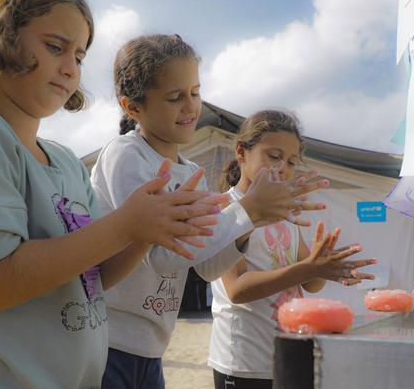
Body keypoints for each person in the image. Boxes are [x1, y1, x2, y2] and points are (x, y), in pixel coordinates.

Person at [0, 0, 223, 387]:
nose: (70, 67)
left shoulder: (65, 162)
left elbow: (96, 274)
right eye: (55, 47)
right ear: (0, 38)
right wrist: (126, 223)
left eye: (80, 55)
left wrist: (147, 229)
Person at [91, 34, 328, 388]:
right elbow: (162, 257)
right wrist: (246, 211)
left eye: (195, 92)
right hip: (109, 337)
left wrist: (254, 219)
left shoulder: (190, 172)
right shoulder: (126, 155)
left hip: (152, 343)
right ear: (133, 107)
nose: (190, 107)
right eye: (175, 97)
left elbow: (206, 267)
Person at [208, 110, 377, 388]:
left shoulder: (284, 212)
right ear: (241, 151)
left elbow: (310, 285)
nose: (283, 168)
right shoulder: (225, 208)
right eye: (274, 156)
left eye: (291, 161)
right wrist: (305, 268)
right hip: (244, 362)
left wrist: (321, 265)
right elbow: (237, 289)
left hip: (287, 351)